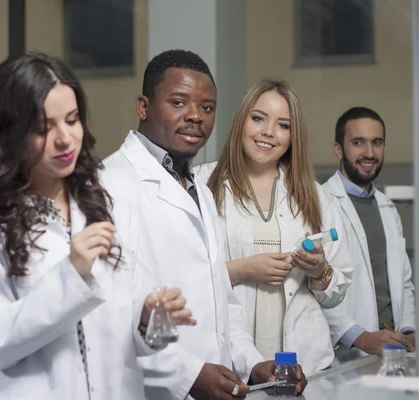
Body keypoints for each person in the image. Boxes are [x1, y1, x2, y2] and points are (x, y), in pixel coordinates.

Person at [0, 52, 195, 400]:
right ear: (9, 134)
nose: (65, 139)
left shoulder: (102, 205)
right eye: (42, 128)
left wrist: (148, 318)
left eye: (72, 119)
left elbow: (130, 334)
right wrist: (72, 275)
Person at [101, 50, 307, 399]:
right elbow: (112, 315)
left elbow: (222, 304)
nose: (195, 116)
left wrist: (254, 363)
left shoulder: (198, 190)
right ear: (143, 106)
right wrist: (189, 375)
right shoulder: (110, 185)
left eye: (207, 107)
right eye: (179, 102)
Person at [195, 79, 353, 374]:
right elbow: (183, 278)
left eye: (283, 125)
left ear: (294, 136)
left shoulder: (313, 195)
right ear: (241, 121)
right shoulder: (203, 184)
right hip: (229, 362)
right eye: (258, 118)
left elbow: (336, 293)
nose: (268, 132)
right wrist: (243, 269)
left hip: (304, 364)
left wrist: (320, 270)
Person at [322, 107, 415, 359]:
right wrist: (360, 338)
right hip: (346, 354)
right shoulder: (319, 203)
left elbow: (403, 282)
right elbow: (314, 288)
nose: (369, 153)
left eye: (377, 142)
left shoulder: (388, 207)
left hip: (394, 350)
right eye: (358, 142)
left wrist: (408, 327)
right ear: (338, 149)